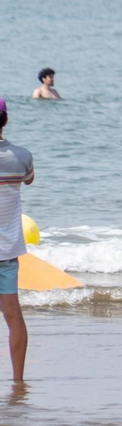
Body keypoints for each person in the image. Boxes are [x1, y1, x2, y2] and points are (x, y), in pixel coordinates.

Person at [0, 99, 34, 384]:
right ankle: (18, 381)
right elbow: (29, 180)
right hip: (7, 252)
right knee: (13, 317)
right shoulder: (21, 155)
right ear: (6, 121)